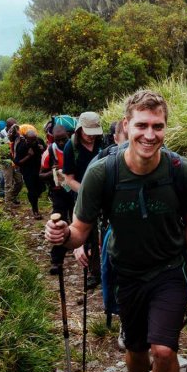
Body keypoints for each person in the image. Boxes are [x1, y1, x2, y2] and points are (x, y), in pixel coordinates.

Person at [44, 90, 187, 372]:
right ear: (126, 126)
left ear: (166, 127)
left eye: (158, 126)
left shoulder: (182, 172)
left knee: (165, 350)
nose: (149, 135)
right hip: (126, 271)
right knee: (136, 347)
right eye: (142, 125)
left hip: (169, 271)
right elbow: (80, 232)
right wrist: (61, 237)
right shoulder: (102, 173)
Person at [63, 111, 105, 286]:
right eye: (88, 133)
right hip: (83, 196)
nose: (91, 137)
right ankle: (94, 272)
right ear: (79, 129)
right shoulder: (70, 147)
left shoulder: (103, 143)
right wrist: (88, 191)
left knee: (104, 234)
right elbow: (69, 179)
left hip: (105, 195)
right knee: (88, 235)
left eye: (94, 133)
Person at [40, 124, 73, 274]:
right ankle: (56, 261)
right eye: (58, 140)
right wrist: (53, 172)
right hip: (58, 192)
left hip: (75, 190)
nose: (61, 143)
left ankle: (81, 249)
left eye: (64, 139)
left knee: (78, 220)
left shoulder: (75, 147)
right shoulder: (49, 152)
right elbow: (40, 174)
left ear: (68, 135)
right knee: (59, 222)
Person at [14, 127, 45, 219]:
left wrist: (43, 148)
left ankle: (35, 196)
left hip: (39, 169)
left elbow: (47, 151)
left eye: (35, 139)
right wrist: (28, 156)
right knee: (32, 191)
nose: (34, 142)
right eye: (31, 140)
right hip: (27, 171)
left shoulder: (39, 141)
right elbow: (17, 162)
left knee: (41, 188)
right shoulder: (22, 145)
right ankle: (35, 211)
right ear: (26, 139)